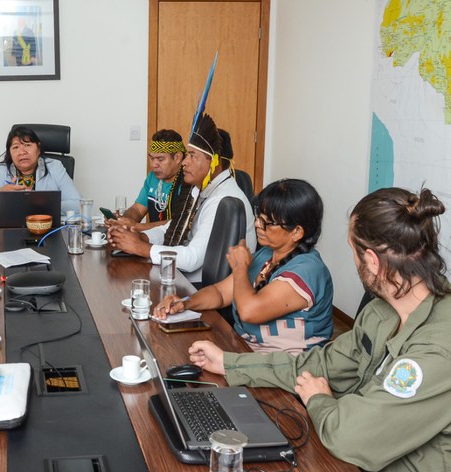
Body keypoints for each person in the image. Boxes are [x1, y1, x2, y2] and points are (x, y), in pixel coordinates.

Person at [189, 187, 451, 471]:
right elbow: (323, 362)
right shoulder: (381, 312)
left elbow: (352, 438)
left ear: (372, 262)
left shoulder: (437, 351)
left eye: (353, 251)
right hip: (345, 450)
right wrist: (229, 363)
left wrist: (318, 399)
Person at [157, 179, 333, 353]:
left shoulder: (307, 271)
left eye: (268, 222)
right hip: (247, 352)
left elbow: (249, 311)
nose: (257, 224)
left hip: (288, 368)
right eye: (259, 216)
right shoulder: (266, 254)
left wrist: (240, 268)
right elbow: (220, 293)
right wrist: (185, 303)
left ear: (297, 232)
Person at [107, 117, 255, 284]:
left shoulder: (222, 199)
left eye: (192, 155)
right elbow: (174, 227)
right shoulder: (201, 189)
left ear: (214, 162)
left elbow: (192, 258)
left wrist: (141, 248)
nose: (184, 162)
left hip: (201, 286)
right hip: (184, 276)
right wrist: (141, 237)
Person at [0, 126, 81, 216]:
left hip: (46, 228)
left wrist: (39, 205)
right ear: (10, 153)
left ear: (38, 148)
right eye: (15, 147)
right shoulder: (0, 170)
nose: (22, 152)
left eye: (27, 145)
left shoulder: (54, 167)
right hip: (12, 229)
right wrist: (1, 195)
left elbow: (78, 204)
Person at [107, 129, 188, 231]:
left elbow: (181, 222)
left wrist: (137, 227)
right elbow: (137, 210)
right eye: (151, 158)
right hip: (154, 240)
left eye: (160, 159)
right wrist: (122, 221)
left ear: (177, 157)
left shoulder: (188, 180)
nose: (154, 165)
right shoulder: (152, 177)